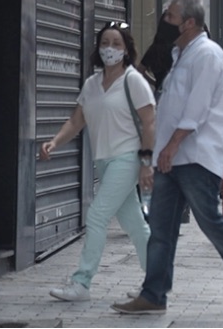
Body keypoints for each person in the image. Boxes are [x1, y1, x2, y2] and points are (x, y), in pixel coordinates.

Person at [113, 0, 223, 315]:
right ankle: (154, 294)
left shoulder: (207, 54)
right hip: (171, 157)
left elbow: (196, 109)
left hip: (195, 155)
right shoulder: (180, 54)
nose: (163, 21)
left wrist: (171, 146)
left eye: (169, 16)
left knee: (210, 221)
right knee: (161, 227)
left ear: (189, 23)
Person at [42, 22, 154, 302]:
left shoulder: (133, 81)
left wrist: (145, 162)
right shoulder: (92, 84)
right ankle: (156, 281)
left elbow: (150, 123)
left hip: (127, 158)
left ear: (126, 50)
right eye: (105, 43)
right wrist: (54, 142)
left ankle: (82, 282)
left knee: (96, 216)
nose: (110, 49)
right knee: (135, 225)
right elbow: (76, 120)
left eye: (117, 44)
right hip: (104, 161)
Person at [138, 11, 180, 99]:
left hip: (159, 93)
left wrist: (154, 82)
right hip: (176, 94)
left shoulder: (155, 48)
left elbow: (140, 70)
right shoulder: (179, 48)